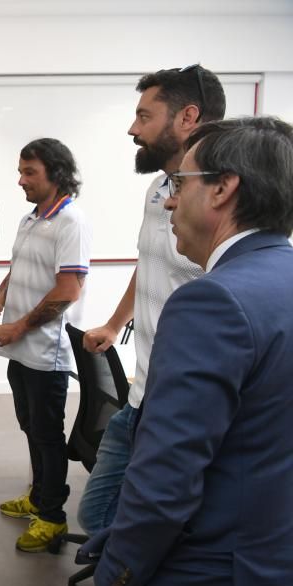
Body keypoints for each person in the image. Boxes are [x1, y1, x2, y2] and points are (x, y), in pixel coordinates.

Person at [86, 116, 293, 586]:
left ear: (223, 188)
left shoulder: (212, 302)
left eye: (180, 184)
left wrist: (118, 572)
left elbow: (166, 477)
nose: (169, 203)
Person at [77, 65, 226, 535]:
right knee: (99, 512)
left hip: (181, 404)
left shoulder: (218, 205)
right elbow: (150, 261)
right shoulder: (158, 190)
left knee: (136, 521)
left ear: (187, 117)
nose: (132, 128)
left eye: (144, 116)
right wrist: (114, 321)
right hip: (144, 392)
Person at [0, 138, 91, 551]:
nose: (21, 180)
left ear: (56, 174)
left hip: (47, 351)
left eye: (30, 172)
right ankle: (37, 495)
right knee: (31, 427)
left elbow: (67, 291)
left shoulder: (71, 222)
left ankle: (52, 516)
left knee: (47, 434)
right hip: (20, 347)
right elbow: (18, 268)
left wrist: (19, 327)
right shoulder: (31, 219)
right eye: (21, 171)